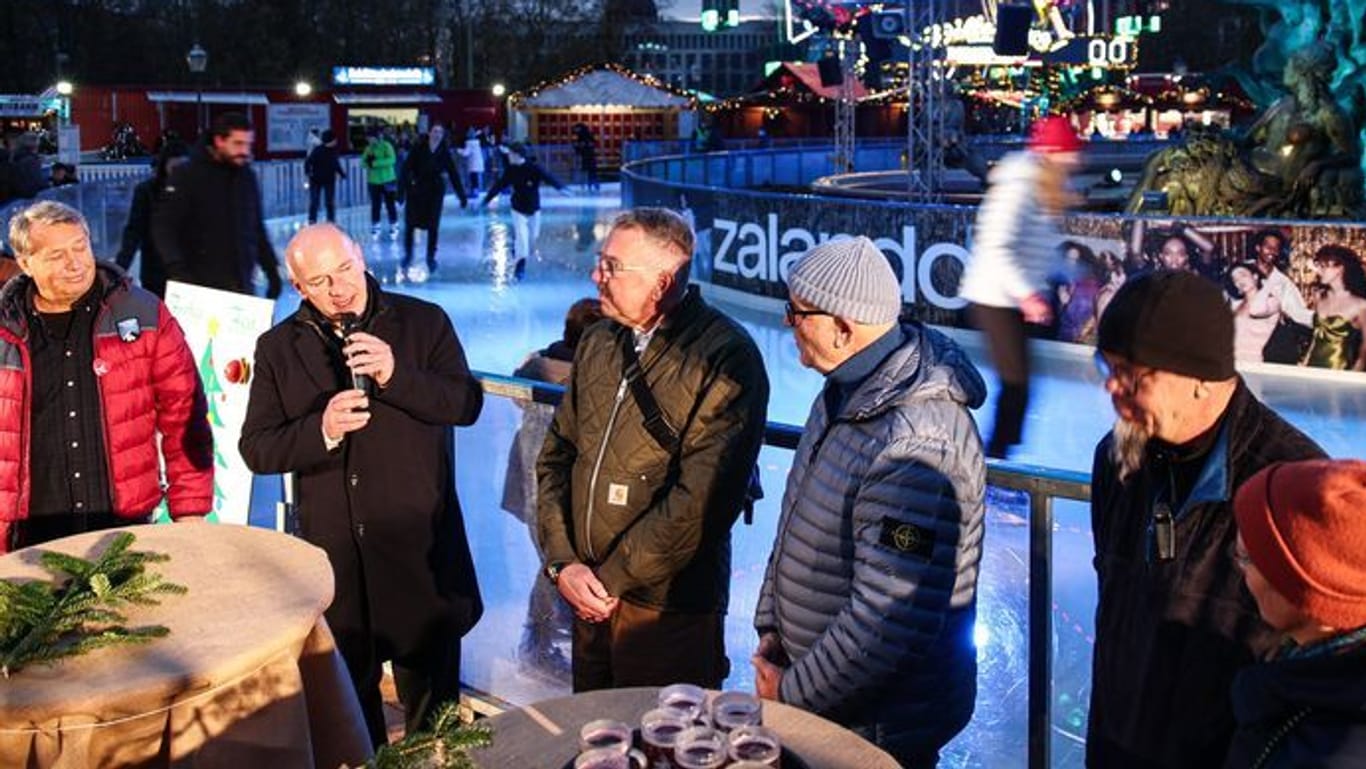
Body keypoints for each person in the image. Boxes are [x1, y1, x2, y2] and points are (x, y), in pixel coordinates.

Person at [239, 223, 483, 746]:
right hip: (339, 563)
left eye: (346, 269)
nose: (339, 288)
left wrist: (397, 375)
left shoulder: (422, 321)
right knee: (351, 718)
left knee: (434, 718)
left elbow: (465, 404)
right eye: (320, 281)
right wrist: (320, 430)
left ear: (362, 256)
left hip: (420, 551)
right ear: (299, 287)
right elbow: (257, 448)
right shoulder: (278, 348)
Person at [753, 237, 987, 768]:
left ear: (843, 327)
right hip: (818, 700)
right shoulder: (842, 394)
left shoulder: (916, 441)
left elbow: (887, 621)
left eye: (798, 313)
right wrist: (772, 630)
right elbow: (793, 521)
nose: (788, 324)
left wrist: (791, 694)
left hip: (877, 728)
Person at [1088, 270, 1327, 768]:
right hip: (1118, 747)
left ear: (1199, 378)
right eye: (1104, 364)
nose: (1111, 385)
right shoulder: (1117, 460)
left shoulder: (1288, 485)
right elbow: (1115, 613)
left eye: (1131, 370)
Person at [536, 207, 769, 692]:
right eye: (602, 261)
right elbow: (557, 454)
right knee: (600, 741)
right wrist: (563, 562)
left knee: (668, 746)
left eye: (612, 266)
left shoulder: (727, 355)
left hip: (668, 610)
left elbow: (703, 499)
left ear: (663, 282)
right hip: (589, 598)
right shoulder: (599, 339)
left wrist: (612, 579)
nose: (595, 275)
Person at [0, 201, 212, 553]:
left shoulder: (143, 314)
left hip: (124, 531)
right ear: (26, 263)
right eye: (56, 256)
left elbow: (184, 414)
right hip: (32, 537)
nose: (75, 263)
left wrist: (190, 509)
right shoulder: (6, 331)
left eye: (80, 246)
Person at [1225, 459, 1366, 768]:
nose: (1240, 572)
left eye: (1248, 559)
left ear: (1304, 586)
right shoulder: (1312, 675)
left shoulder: (1329, 751)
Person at [960, 115, 1081, 459]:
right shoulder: (1018, 187)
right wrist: (1026, 294)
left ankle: (1000, 459)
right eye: (1068, 155)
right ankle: (994, 463)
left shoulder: (1041, 187)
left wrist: (1073, 272)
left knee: (1019, 385)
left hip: (1008, 298)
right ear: (1052, 154)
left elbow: (1037, 249)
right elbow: (995, 245)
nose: (1075, 163)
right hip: (992, 296)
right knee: (1016, 384)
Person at [502, 297, 604, 680]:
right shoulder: (578, 379)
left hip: (537, 494)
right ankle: (539, 647)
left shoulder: (539, 367)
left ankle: (543, 643)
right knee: (558, 566)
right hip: (553, 497)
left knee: (555, 565)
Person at [152, 112, 282, 299]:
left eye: (248, 144)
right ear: (219, 141)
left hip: (241, 286)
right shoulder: (187, 176)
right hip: (199, 286)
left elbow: (255, 227)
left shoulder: (246, 177)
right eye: (238, 144)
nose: (245, 151)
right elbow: (164, 226)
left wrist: (271, 270)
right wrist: (177, 269)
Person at [481, 142, 567, 281]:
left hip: (533, 208)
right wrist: (486, 200)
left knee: (532, 238)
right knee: (522, 238)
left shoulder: (533, 168)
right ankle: (520, 266)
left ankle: (520, 251)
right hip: (518, 208)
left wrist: (561, 188)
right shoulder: (511, 170)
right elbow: (499, 185)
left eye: (510, 154)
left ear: (517, 155)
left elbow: (548, 177)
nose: (508, 156)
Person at [115, 140, 189, 298]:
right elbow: (133, 232)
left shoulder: (195, 192)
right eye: (175, 168)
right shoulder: (146, 192)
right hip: (156, 272)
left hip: (188, 273)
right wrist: (119, 269)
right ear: (165, 166)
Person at [397, 124, 467, 284]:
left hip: (435, 192)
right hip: (416, 190)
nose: (437, 134)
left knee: (433, 225)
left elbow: (453, 174)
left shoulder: (444, 152)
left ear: (443, 135)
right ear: (429, 133)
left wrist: (462, 196)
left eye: (440, 132)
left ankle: (430, 257)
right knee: (410, 224)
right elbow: (405, 169)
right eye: (434, 131)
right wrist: (401, 192)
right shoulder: (418, 148)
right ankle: (408, 254)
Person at [1300, 244, 1366, 371]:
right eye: (1319, 266)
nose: (1319, 271)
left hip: (1339, 371)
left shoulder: (1361, 305)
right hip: (1310, 368)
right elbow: (1315, 338)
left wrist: (1356, 371)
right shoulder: (1319, 298)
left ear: (1340, 268)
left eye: (1324, 267)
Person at [1227, 261, 1281, 363]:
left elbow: (1255, 310)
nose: (1240, 281)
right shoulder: (1235, 305)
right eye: (1235, 279)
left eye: (1243, 275)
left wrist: (1267, 284)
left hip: (1252, 363)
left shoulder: (1272, 302)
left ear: (1255, 277)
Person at [361, 125, 400, 241]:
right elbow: (362, 163)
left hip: (388, 180)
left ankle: (394, 224)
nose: (369, 140)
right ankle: (376, 225)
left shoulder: (386, 146)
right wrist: (368, 163)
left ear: (377, 137)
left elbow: (392, 160)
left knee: (390, 204)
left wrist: (375, 163)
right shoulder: (368, 149)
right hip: (373, 181)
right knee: (375, 205)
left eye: (371, 138)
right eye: (368, 138)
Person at [305, 129, 347, 224]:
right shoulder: (318, 150)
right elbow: (308, 162)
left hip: (329, 179)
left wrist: (341, 173)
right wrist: (308, 173)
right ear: (330, 140)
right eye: (334, 140)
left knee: (329, 201)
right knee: (314, 200)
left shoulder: (334, 151)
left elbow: (335, 163)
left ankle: (331, 219)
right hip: (315, 180)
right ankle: (312, 219)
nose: (336, 141)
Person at [457, 127, 486, 195]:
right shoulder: (477, 143)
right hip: (477, 163)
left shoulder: (470, 143)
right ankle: (477, 191)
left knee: (473, 178)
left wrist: (459, 151)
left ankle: (474, 192)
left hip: (473, 163)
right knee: (476, 178)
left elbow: (466, 153)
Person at [571, 123, 599, 192]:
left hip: (587, 155)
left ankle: (591, 184)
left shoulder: (582, 135)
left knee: (589, 171)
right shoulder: (584, 135)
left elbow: (577, 146)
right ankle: (592, 184)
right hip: (588, 155)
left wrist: (579, 147)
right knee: (591, 171)